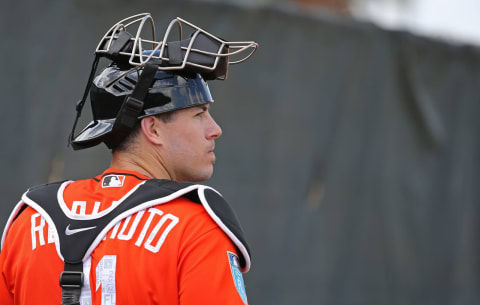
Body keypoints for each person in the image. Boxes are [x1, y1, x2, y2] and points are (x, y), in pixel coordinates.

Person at [0, 13, 257, 305]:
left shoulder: (31, 218)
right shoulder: (196, 227)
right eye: (199, 114)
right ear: (154, 128)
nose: (215, 130)